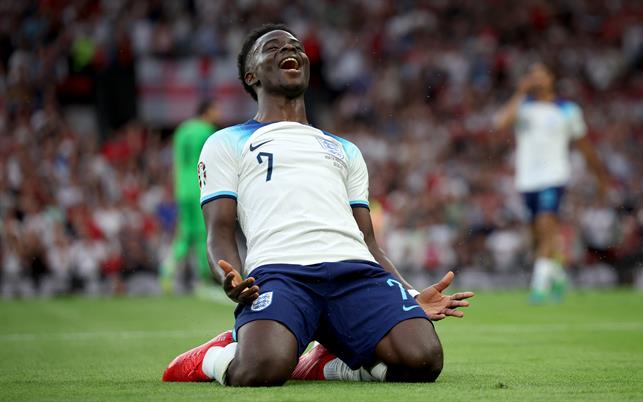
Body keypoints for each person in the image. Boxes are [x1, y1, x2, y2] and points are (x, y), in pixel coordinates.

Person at [162, 24, 474, 387]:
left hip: (355, 273)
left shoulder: (345, 149)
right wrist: (227, 277)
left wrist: (411, 293)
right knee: (260, 369)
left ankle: (325, 364)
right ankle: (211, 357)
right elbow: (218, 232)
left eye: (295, 46)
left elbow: (368, 242)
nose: (288, 49)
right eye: (272, 47)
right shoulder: (225, 142)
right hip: (281, 273)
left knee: (423, 359)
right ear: (251, 75)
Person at [494, 62, 607, 303]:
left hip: (554, 176)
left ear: (551, 78)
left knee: (547, 225)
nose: (536, 79)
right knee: (536, 235)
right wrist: (520, 92)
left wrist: (600, 176)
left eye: (541, 75)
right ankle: (557, 274)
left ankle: (539, 286)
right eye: (532, 75)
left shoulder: (567, 110)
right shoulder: (523, 106)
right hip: (527, 180)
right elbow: (500, 123)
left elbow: (584, 145)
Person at [161, 100, 219, 294]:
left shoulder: (181, 130)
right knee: (202, 232)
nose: (218, 113)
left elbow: (176, 162)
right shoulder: (206, 130)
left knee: (185, 234)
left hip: (182, 188)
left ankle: (167, 271)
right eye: (215, 109)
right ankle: (205, 278)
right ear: (207, 111)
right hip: (199, 187)